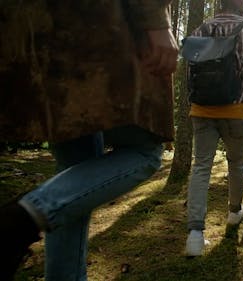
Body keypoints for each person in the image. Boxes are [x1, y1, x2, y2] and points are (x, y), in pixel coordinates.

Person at [0, 1, 178, 280]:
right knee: (146, 153)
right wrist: (156, 19)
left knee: (72, 187)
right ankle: (24, 216)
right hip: (103, 28)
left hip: (45, 36)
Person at [185, 0, 243, 257]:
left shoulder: (200, 31)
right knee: (237, 162)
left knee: (201, 166)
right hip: (237, 110)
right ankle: (234, 212)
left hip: (201, 109)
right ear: (241, 6)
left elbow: (191, 71)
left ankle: (195, 235)